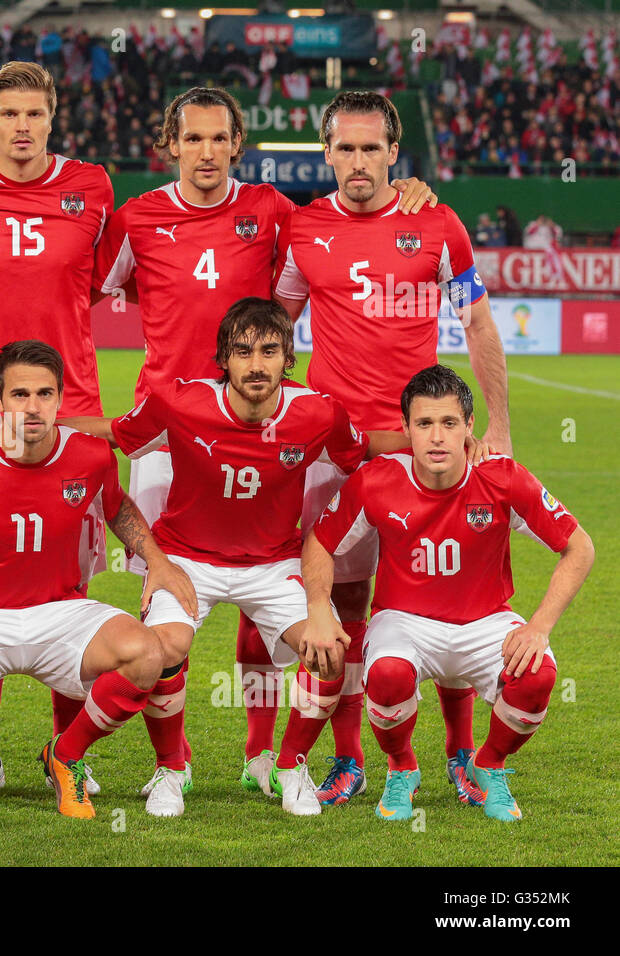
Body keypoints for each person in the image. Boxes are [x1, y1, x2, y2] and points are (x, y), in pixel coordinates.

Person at [92, 86, 435, 800]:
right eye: (194, 139)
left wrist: (407, 188)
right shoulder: (139, 216)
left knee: (266, 584)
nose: (208, 151)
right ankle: (172, 761)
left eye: (221, 138)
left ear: (238, 143)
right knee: (169, 607)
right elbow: (78, 289)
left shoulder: (274, 212)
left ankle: (264, 753)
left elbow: (345, 215)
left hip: (262, 420)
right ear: (171, 144)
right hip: (167, 433)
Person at [64, 298, 413, 815]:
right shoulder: (180, 402)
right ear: (223, 358)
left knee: (329, 652)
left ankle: (291, 765)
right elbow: (116, 434)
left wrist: (443, 437)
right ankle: (170, 768)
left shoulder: (318, 412)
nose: (256, 364)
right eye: (242, 351)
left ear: (288, 359)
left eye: (269, 351)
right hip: (188, 559)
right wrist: (37, 422)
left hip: (273, 564)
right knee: (163, 648)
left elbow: (363, 449)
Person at [273, 90, 512, 807]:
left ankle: (461, 756)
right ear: (326, 154)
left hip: (425, 448)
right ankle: (350, 759)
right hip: (337, 454)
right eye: (344, 148)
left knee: (450, 601)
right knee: (343, 606)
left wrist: (495, 427)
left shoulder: (435, 223)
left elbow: (477, 324)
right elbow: (274, 333)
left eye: (370, 148)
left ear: (392, 154)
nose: (357, 161)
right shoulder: (304, 230)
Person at [0, 340, 195, 819]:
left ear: (60, 398)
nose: (33, 407)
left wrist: (157, 559)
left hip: (60, 612)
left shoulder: (91, 457)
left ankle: (65, 754)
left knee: (148, 654)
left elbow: (117, 507)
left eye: (45, 394)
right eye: (20, 394)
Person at [0, 61, 115, 793]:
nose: (22, 127)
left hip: (71, 408)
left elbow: (98, 279)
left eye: (34, 114)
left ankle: (68, 750)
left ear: (53, 117)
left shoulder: (94, 185)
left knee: (67, 582)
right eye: (8, 114)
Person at [306, 365, 592, 822]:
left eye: (449, 423)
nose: (437, 437)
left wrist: (539, 627)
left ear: (469, 426)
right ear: (406, 429)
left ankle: (488, 763)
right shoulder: (377, 481)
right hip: (405, 621)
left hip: (486, 621)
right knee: (386, 675)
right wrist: (319, 607)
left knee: (537, 676)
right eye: (424, 424)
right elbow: (320, 541)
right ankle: (402, 768)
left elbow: (579, 546)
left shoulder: (502, 479)